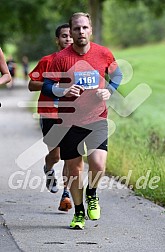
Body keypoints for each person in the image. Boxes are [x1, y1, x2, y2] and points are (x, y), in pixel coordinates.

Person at [41, 12, 123, 229]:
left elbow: (117, 76)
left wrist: (109, 91)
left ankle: (92, 193)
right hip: (68, 120)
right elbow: (48, 86)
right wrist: (64, 90)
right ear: (71, 30)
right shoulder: (60, 58)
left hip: (97, 117)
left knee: (97, 163)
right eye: (76, 29)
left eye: (85, 28)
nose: (80, 32)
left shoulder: (103, 53)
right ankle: (78, 213)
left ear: (90, 29)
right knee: (75, 169)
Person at [28, 24, 74, 212]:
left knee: (70, 156)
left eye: (71, 36)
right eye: (64, 36)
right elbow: (31, 85)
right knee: (56, 155)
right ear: (57, 40)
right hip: (50, 113)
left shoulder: (80, 62)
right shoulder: (47, 61)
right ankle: (48, 168)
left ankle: (66, 195)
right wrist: (51, 85)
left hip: (73, 114)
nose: (68, 39)